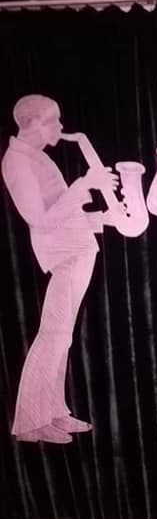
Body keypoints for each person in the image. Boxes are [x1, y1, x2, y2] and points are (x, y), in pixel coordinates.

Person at [1, 95, 117, 443]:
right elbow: (39, 220)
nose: (61, 127)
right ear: (35, 123)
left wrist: (102, 219)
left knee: (61, 336)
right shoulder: (18, 161)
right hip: (64, 255)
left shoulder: (36, 157)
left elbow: (60, 213)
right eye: (54, 120)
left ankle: (52, 411)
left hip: (75, 249)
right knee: (53, 335)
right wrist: (83, 186)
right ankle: (29, 423)